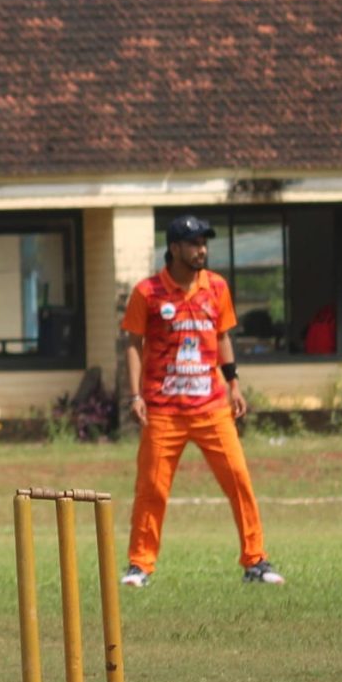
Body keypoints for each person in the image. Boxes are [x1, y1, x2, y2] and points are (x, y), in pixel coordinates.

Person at [121, 214, 282, 589]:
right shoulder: (147, 292)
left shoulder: (216, 287)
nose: (201, 250)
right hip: (163, 410)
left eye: (204, 243)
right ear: (174, 248)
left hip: (212, 408)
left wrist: (235, 384)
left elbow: (223, 336)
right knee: (151, 489)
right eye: (194, 244)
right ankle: (139, 566)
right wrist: (135, 394)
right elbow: (133, 343)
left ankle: (255, 562)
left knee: (239, 481)